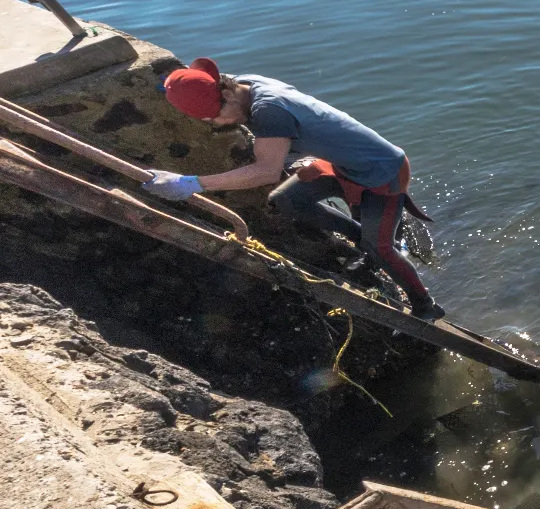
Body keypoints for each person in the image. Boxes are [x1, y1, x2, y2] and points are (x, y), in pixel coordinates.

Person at [143, 57, 440, 319]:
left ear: (225, 91)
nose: (218, 122)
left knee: (383, 249)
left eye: (218, 114)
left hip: (381, 172)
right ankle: (361, 238)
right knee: (288, 200)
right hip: (338, 163)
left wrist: (192, 184)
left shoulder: (268, 110)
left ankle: (424, 303)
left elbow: (265, 171)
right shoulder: (244, 83)